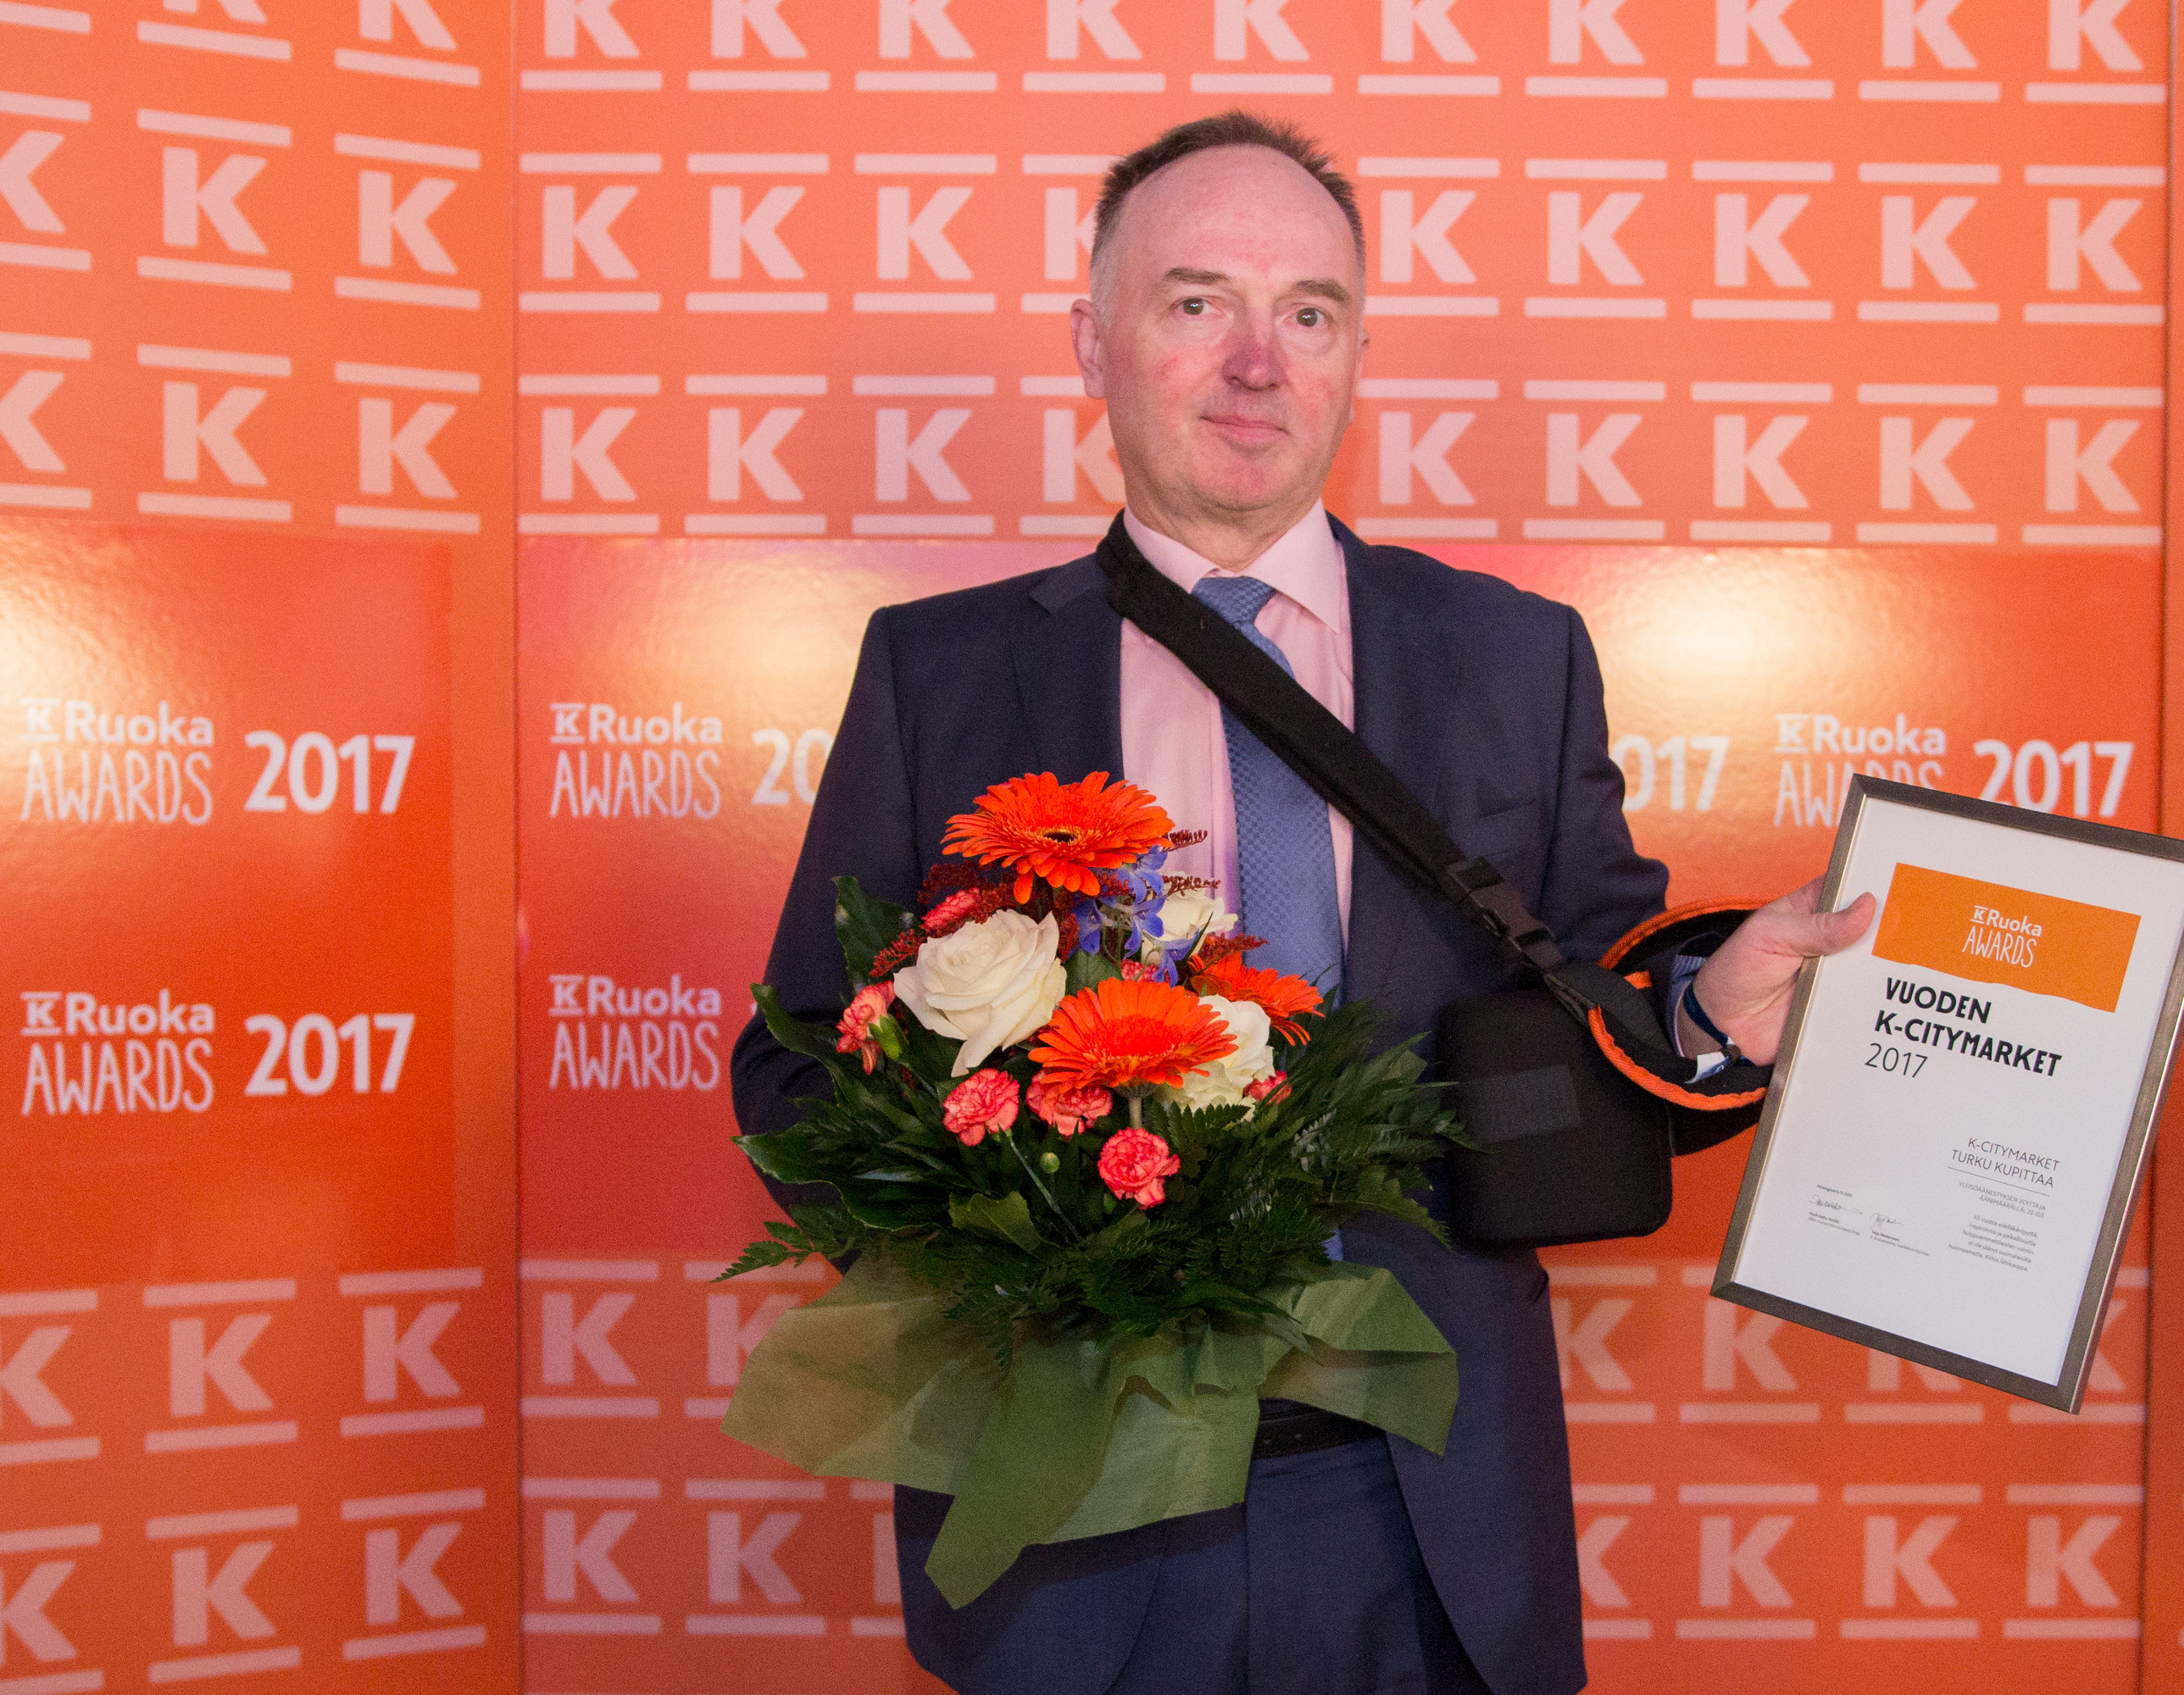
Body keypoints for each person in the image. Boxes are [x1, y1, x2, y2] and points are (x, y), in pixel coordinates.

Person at [732, 112, 1875, 1695]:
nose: (1258, 364)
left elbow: (1596, 1031)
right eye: (1197, 301)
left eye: (1311, 313)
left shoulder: (1514, 659)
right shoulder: (941, 671)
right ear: (1092, 341)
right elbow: (797, 1071)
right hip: (1076, 1512)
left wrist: (1710, 1019)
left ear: (1355, 355)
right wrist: (1023, 1175)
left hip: (1425, 1507)